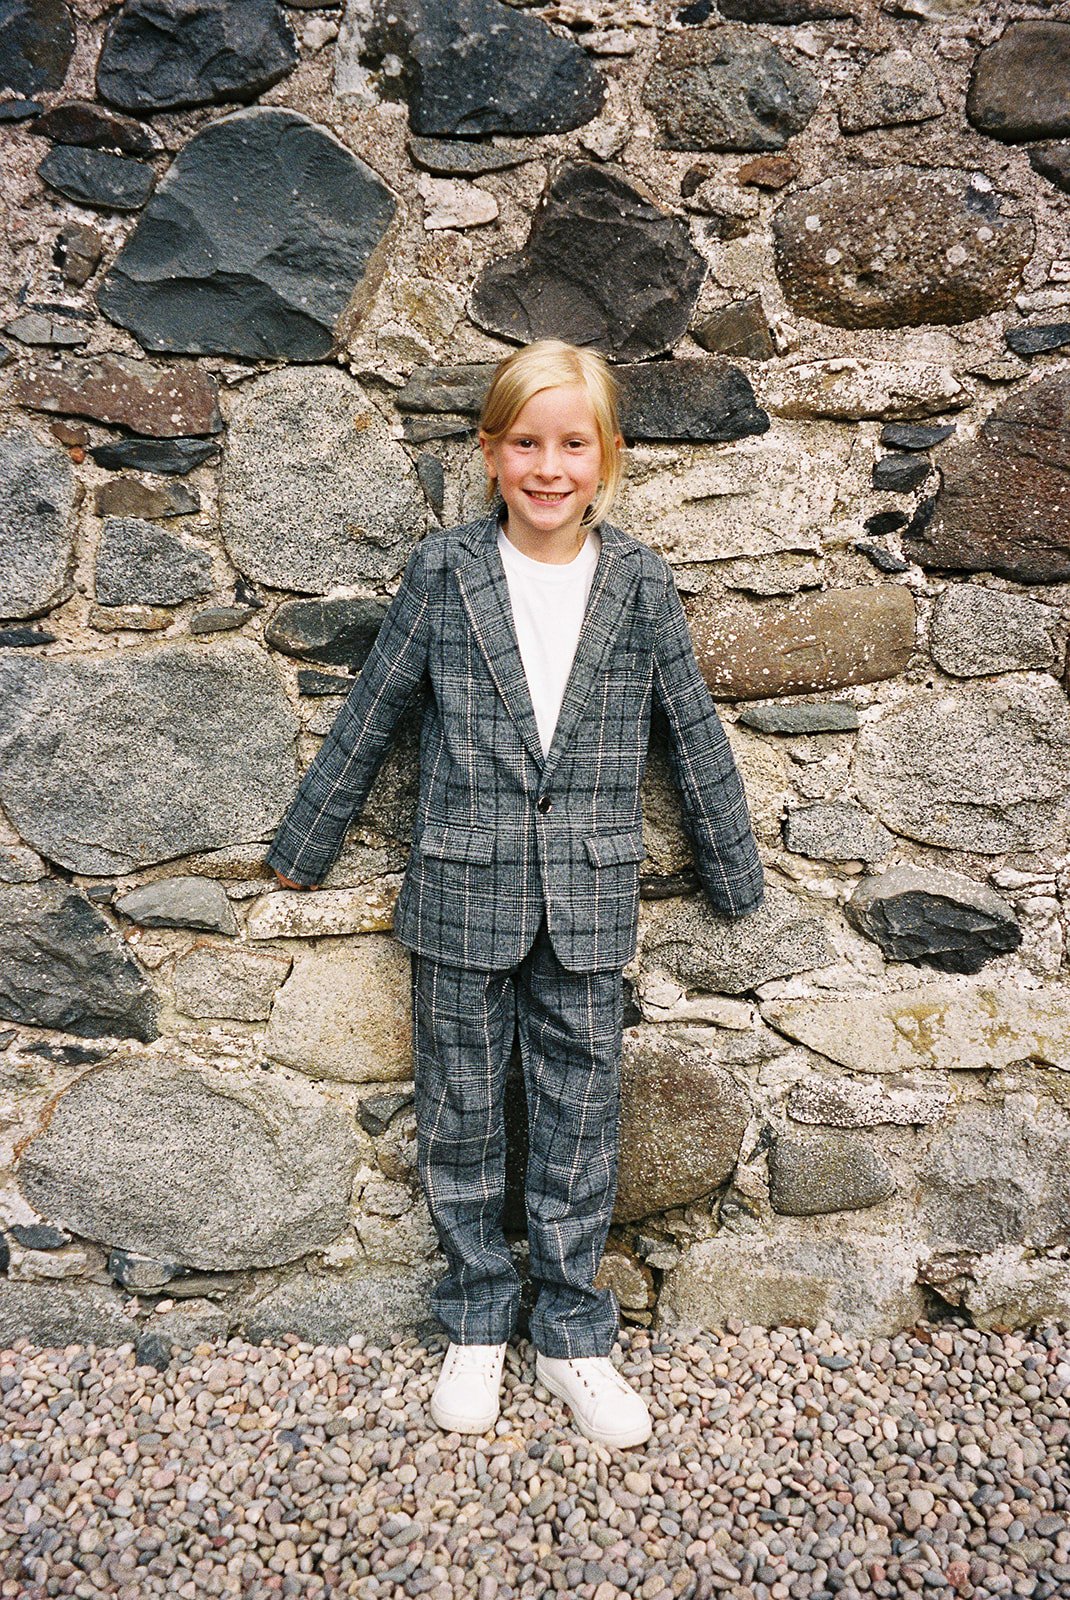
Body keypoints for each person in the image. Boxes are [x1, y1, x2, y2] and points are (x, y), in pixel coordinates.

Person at [265, 338, 764, 1450]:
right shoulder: (444, 573)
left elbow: (688, 728)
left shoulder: (636, 583)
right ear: (489, 453)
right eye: (525, 443)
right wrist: (307, 840)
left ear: (606, 458)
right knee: (459, 1115)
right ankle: (478, 1317)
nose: (548, 466)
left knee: (581, 1119)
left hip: (586, 906)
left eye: (570, 444)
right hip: (460, 892)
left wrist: (732, 866)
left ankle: (574, 1333)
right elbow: (376, 709)